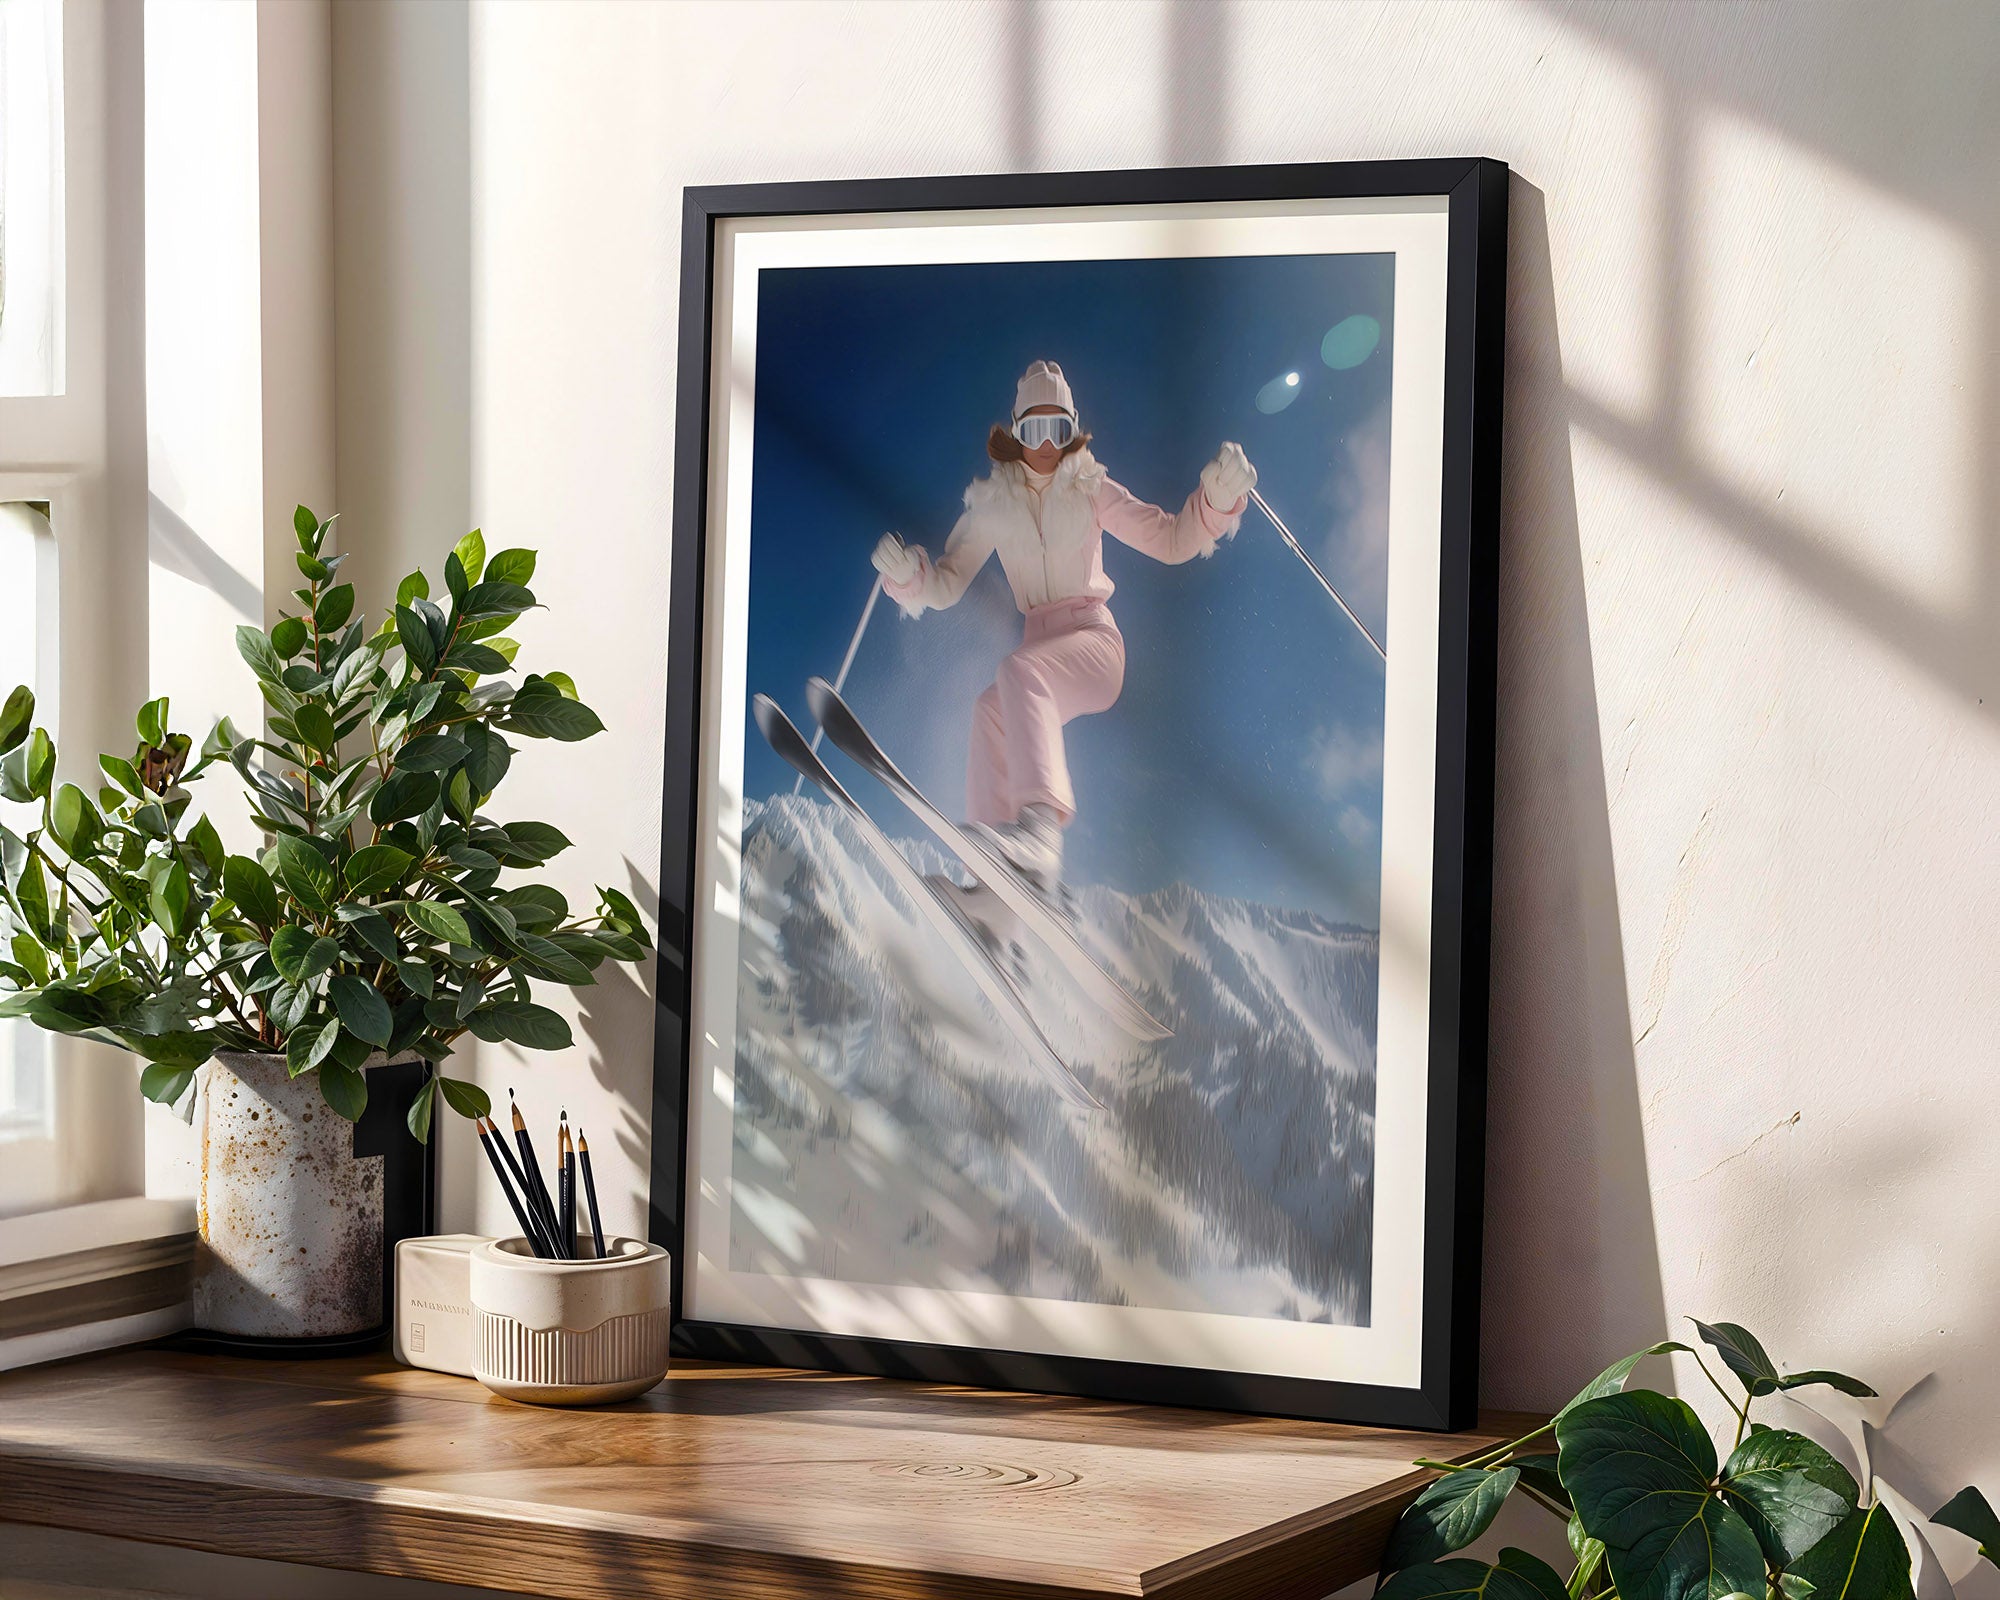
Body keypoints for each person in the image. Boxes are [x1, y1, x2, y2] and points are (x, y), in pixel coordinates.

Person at [872, 359, 1256, 935]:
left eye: (1058, 431)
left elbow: (1175, 540)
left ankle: (1038, 836)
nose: (1046, 447)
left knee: (1020, 673)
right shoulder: (994, 509)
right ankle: (995, 896)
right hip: (1040, 650)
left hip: (1095, 644)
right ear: (1015, 434)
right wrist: (908, 576)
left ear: (1073, 432)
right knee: (991, 710)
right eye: (1033, 432)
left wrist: (1216, 501)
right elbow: (947, 582)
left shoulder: (1091, 489)